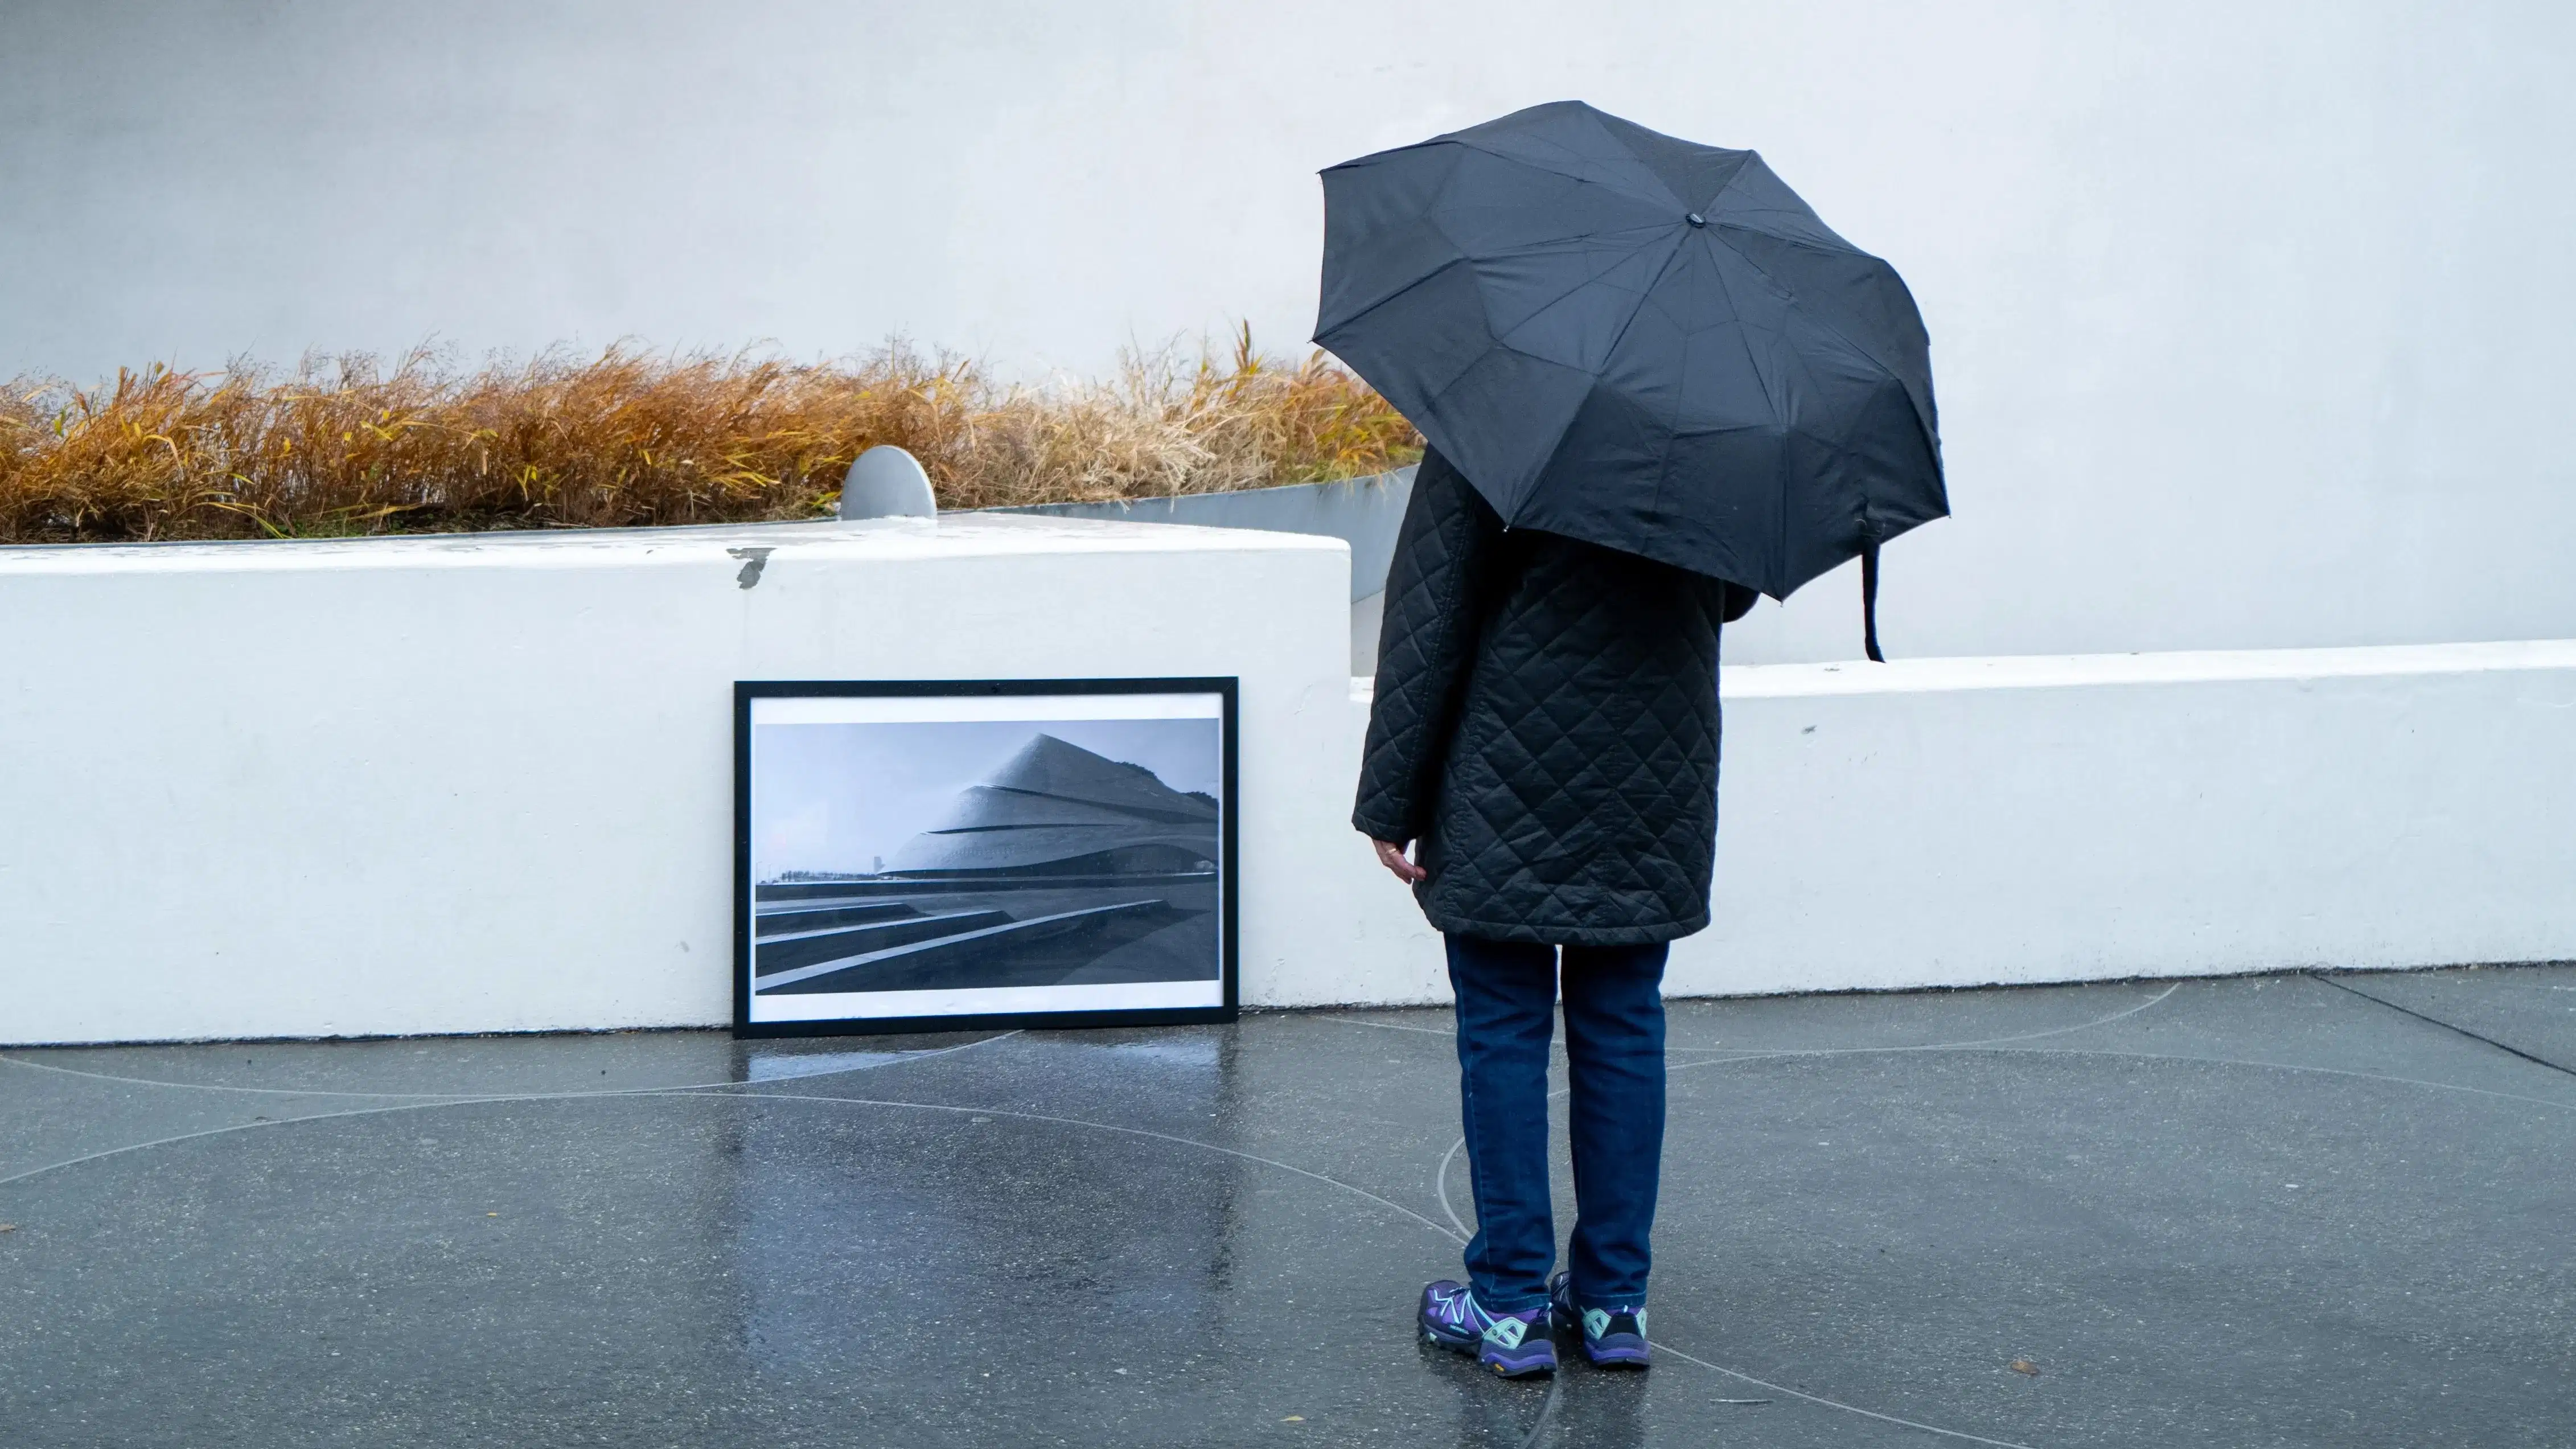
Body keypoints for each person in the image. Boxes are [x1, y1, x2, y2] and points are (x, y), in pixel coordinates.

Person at [1355, 445, 1759, 1377]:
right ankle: (1617, 1303)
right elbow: (1730, 595)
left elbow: (1434, 605)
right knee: (1623, 1027)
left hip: (1507, 768)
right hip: (1657, 771)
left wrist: (1391, 796)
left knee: (1503, 1026)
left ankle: (1506, 1307)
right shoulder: (1712, 425)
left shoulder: (1499, 413)